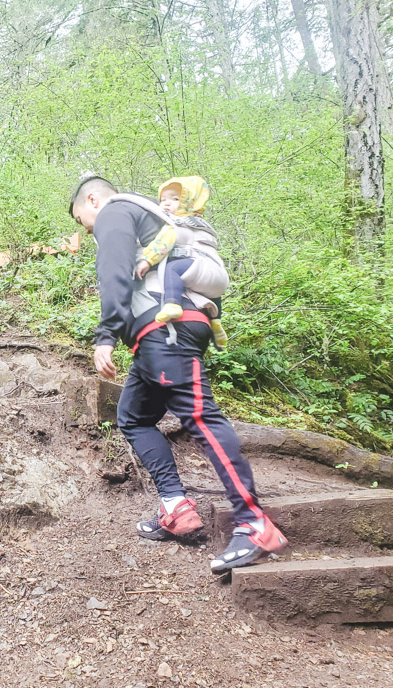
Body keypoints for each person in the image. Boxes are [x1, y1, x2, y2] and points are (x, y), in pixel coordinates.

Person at [69, 174, 287, 573]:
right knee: (132, 417)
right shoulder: (143, 216)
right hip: (158, 336)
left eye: (80, 216)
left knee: (202, 419)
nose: (83, 226)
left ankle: (254, 524)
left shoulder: (114, 212)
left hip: (167, 332)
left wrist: (106, 336)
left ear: (93, 199)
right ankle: (176, 507)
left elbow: (114, 272)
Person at [134, 176, 229, 350]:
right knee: (207, 293)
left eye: (175, 199)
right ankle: (216, 323)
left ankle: (173, 304)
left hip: (196, 268)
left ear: (189, 201)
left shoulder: (175, 224)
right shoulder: (203, 225)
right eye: (163, 200)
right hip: (219, 276)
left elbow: (162, 244)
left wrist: (147, 260)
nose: (166, 204)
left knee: (173, 270)